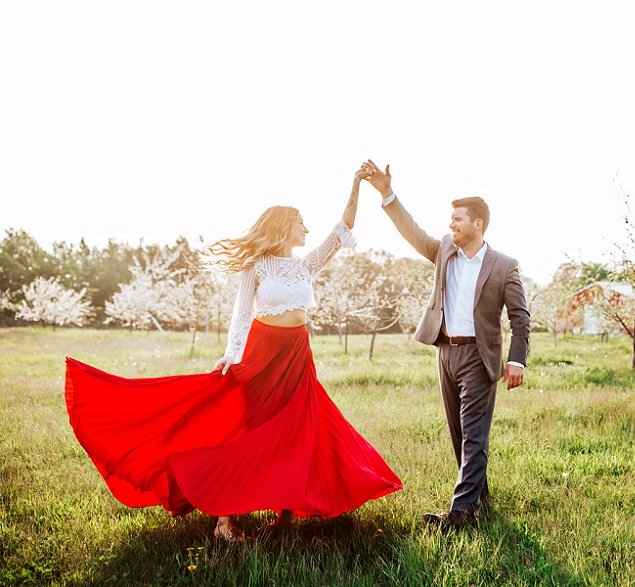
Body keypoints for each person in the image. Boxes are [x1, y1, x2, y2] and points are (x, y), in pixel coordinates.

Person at [64, 166, 402, 542]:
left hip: (297, 354)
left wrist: (356, 184)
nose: (307, 229)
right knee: (251, 431)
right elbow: (242, 314)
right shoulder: (256, 266)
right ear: (283, 227)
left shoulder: (306, 264)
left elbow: (342, 229)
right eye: (301, 223)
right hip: (263, 352)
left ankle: (285, 517)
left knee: (298, 431)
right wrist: (231, 354)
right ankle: (223, 520)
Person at [362, 159, 530, 528]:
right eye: (450, 219)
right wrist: (387, 193)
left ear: (477, 224)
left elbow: (520, 317)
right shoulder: (444, 251)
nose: (450, 224)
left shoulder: (504, 265)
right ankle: (479, 499)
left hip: (479, 355)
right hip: (445, 352)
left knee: (473, 434)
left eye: (457, 219)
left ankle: (459, 514)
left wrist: (517, 361)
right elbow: (411, 230)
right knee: (459, 434)